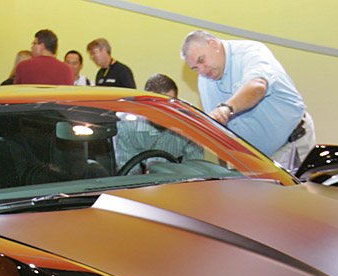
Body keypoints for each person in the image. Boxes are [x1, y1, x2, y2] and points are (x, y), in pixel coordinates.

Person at [181, 29, 314, 171]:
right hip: (252, 162)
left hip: (290, 146)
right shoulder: (204, 79)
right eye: (195, 68)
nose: (201, 70)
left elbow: (257, 87)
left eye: (201, 60)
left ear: (214, 45)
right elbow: (219, 130)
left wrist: (227, 108)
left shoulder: (250, 52)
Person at [115, 74, 201, 169]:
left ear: (176, 104)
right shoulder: (126, 125)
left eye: (167, 105)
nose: (161, 112)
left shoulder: (190, 125)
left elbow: (195, 171)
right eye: (155, 105)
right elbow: (129, 176)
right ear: (144, 103)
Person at [9, 29, 74, 85]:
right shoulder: (67, 70)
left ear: (42, 46)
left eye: (34, 44)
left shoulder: (23, 66)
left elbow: (17, 94)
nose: (32, 47)